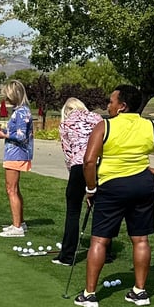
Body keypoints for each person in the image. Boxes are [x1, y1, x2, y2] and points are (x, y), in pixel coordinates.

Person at [73, 85, 154, 307]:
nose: (109, 105)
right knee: (141, 238)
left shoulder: (104, 126)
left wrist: (90, 188)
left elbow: (89, 161)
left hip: (112, 186)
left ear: (122, 106)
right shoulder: (150, 126)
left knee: (99, 239)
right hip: (143, 185)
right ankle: (140, 292)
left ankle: (89, 295)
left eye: (111, 101)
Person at [55, 97, 104, 265]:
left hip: (78, 166)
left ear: (66, 111)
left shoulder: (65, 124)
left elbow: (68, 154)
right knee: (102, 211)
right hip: (99, 165)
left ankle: (67, 256)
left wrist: (73, 176)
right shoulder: (98, 119)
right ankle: (105, 254)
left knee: (73, 211)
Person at [0, 80, 32, 237]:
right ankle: (19, 223)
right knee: (14, 189)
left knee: (11, 189)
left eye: (8, 96)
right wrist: (4, 131)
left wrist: (5, 135)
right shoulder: (21, 111)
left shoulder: (22, 112)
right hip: (14, 152)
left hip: (16, 154)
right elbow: (17, 131)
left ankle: (17, 227)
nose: (6, 100)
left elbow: (21, 136)